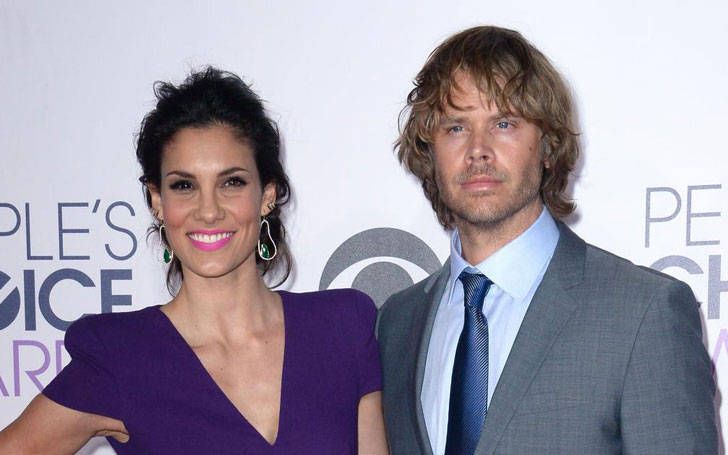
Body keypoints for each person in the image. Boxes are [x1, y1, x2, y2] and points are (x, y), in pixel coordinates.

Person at [0, 67, 387, 454]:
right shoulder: (124, 356)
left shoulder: (340, 328)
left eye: (231, 182)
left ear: (267, 195)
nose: (208, 211)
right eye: (184, 186)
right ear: (157, 201)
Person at [377, 26, 717, 454]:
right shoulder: (396, 323)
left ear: (548, 146)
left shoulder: (643, 313)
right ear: (430, 151)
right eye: (456, 127)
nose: (478, 149)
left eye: (504, 123)